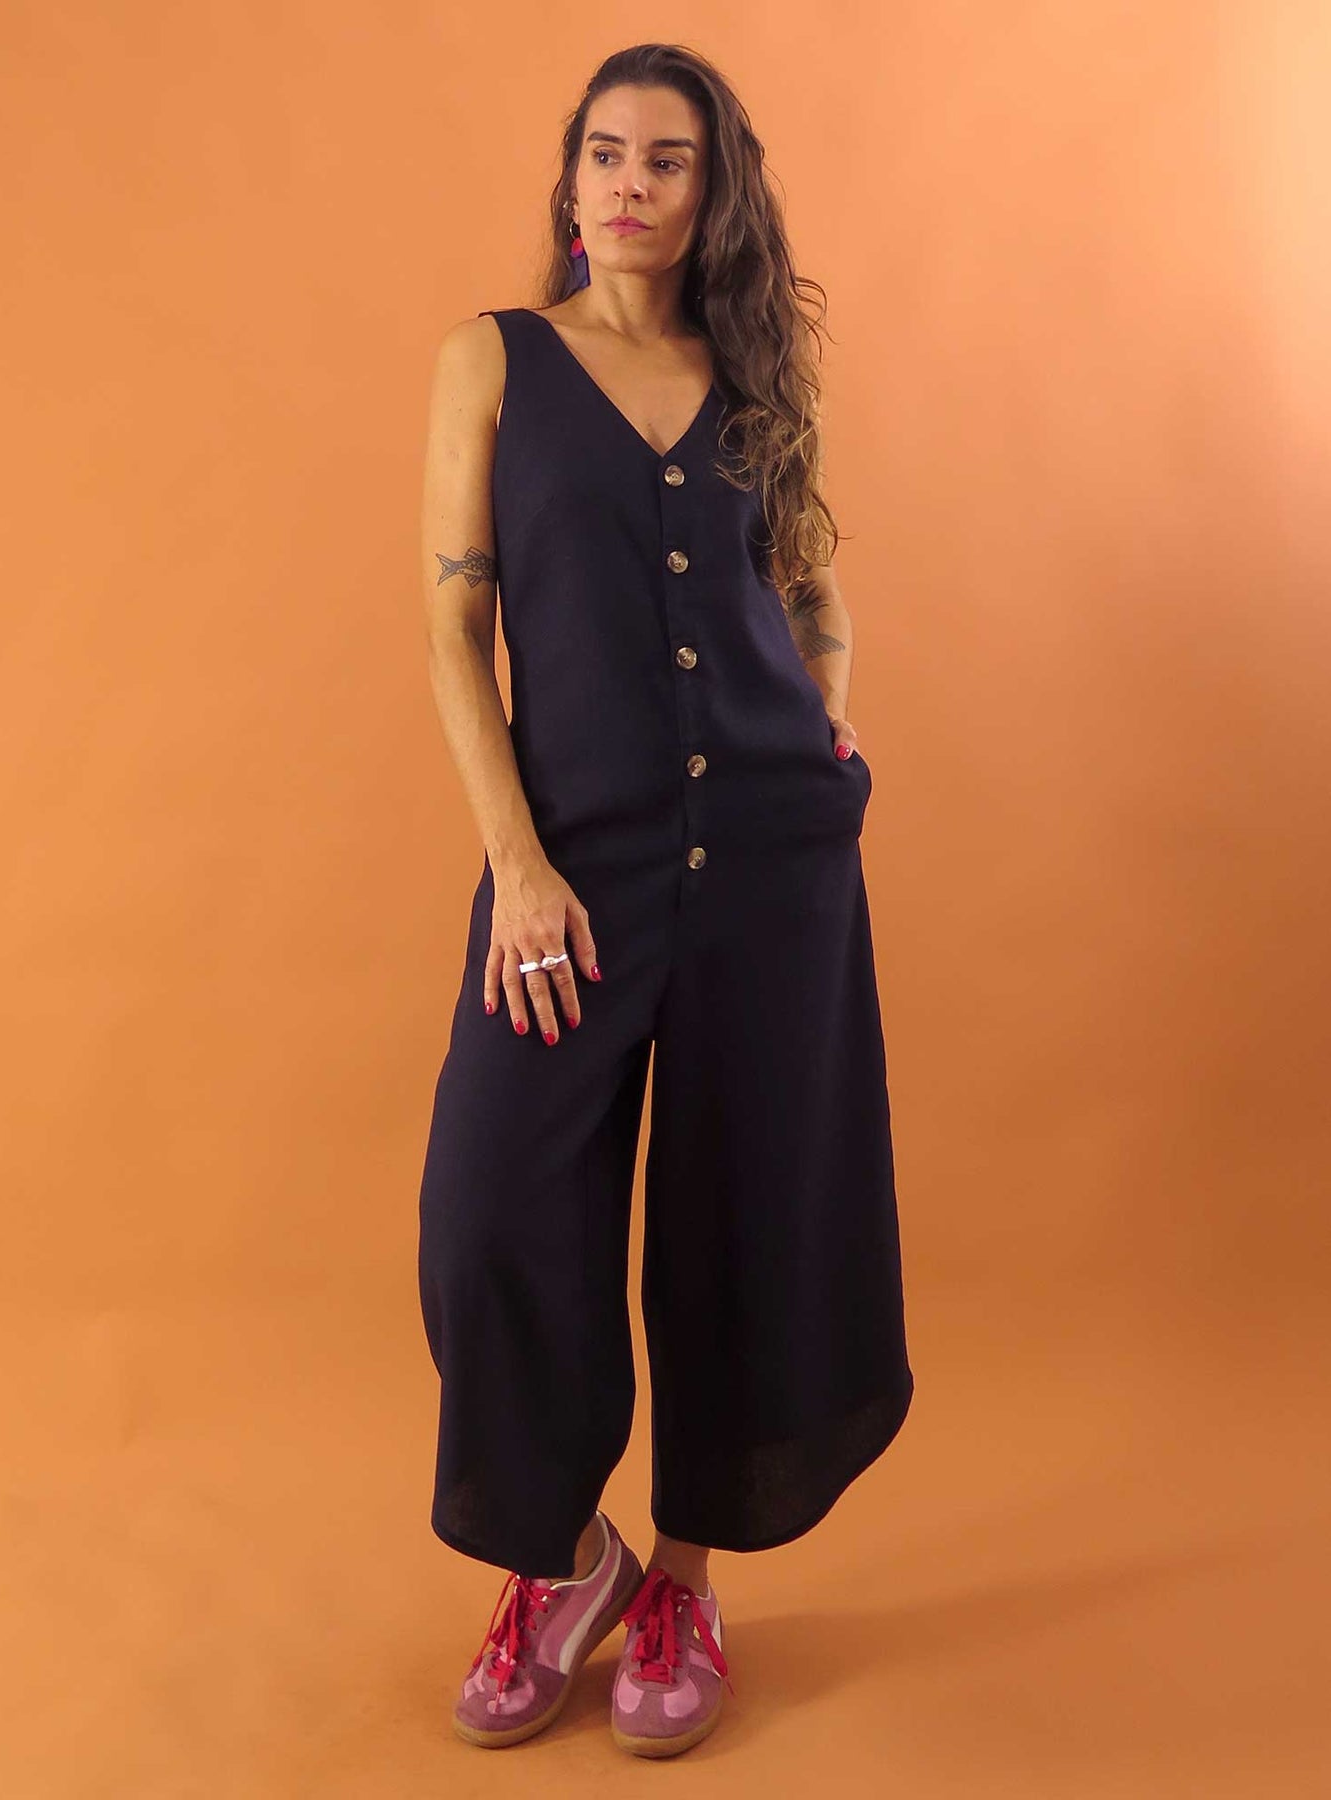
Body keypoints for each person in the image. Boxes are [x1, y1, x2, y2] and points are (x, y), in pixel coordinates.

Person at [416, 42, 914, 1759]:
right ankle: (568, 1563)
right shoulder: (493, 358)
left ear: (713, 193)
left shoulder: (754, 374)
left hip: (770, 862)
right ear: (568, 179)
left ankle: (683, 1587)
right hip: (575, 865)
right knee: (488, 1207)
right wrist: (516, 861)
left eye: (668, 159)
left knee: (738, 1218)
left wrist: (831, 727)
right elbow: (450, 627)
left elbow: (816, 590)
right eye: (606, 153)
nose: (630, 183)